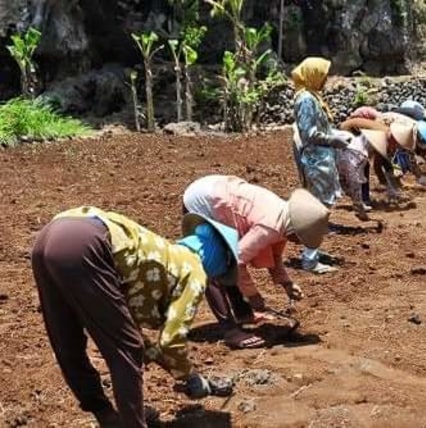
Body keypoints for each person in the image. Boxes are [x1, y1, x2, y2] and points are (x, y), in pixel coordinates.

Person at [31, 206, 239, 427]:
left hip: (49, 236)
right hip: (86, 243)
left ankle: (107, 417)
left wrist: (181, 374)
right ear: (219, 259)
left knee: (67, 342)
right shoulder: (194, 270)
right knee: (125, 351)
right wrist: (191, 376)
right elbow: (171, 341)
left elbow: (136, 337)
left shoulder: (161, 257)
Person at [181, 176, 331, 348]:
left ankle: (243, 313)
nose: (300, 243)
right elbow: (238, 260)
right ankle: (230, 331)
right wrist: (253, 296)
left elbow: (275, 258)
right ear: (297, 229)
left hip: (219, 192)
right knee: (214, 261)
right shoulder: (270, 226)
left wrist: (287, 283)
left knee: (226, 258)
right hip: (204, 200)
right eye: (302, 238)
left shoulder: (285, 220)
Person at [291, 56, 349, 270]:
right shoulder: (306, 99)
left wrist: (334, 135)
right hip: (316, 161)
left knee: (320, 207)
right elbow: (309, 134)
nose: (326, 80)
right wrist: (333, 139)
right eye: (323, 75)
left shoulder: (313, 97)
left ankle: (312, 247)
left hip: (322, 159)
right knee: (318, 209)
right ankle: (310, 256)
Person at [332, 128, 390, 218]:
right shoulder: (358, 153)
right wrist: (358, 204)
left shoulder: (354, 141)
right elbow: (353, 180)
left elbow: (343, 179)